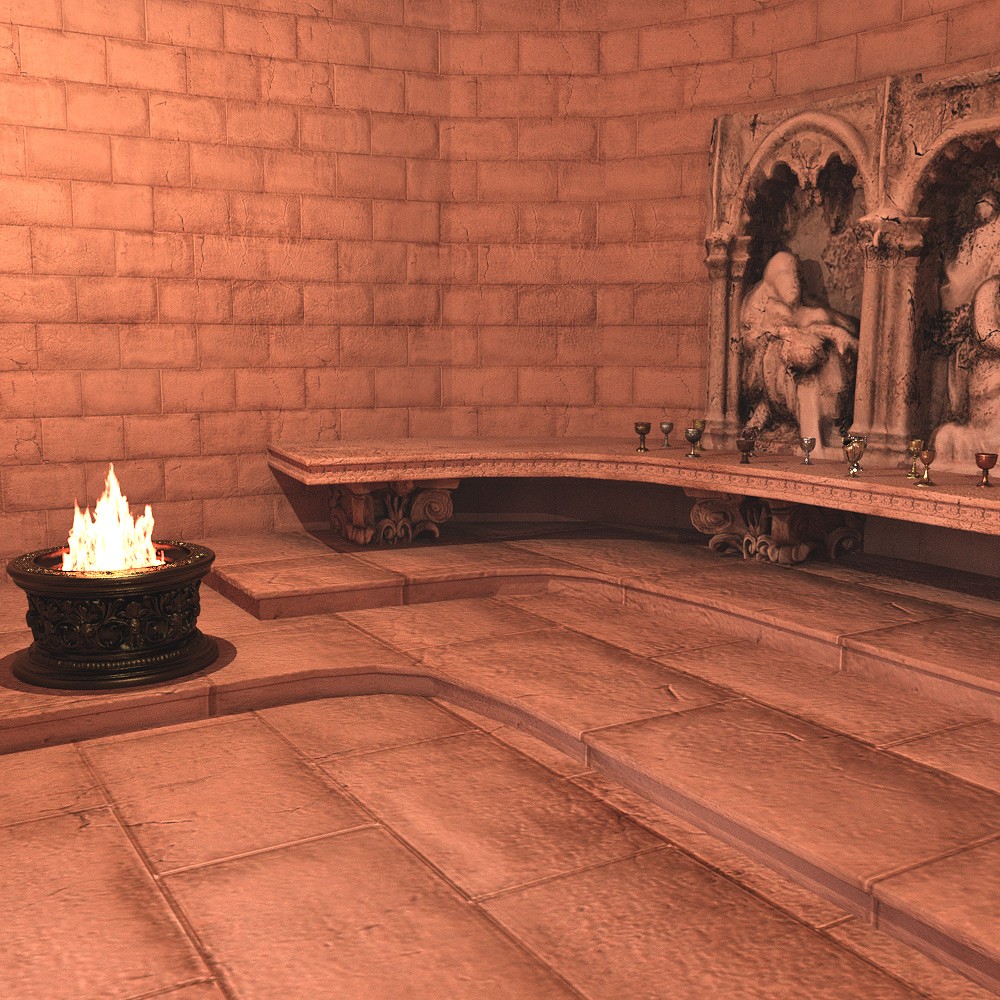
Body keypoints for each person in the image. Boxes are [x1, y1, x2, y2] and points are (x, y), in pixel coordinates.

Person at [740, 250, 859, 453]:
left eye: (797, 274)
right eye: (786, 274)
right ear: (772, 282)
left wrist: (837, 329)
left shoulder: (809, 309)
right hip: (782, 378)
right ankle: (814, 440)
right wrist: (832, 331)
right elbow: (792, 336)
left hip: (809, 366)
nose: (794, 281)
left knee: (827, 354)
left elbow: (844, 323)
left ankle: (828, 430)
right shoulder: (768, 309)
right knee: (807, 363)